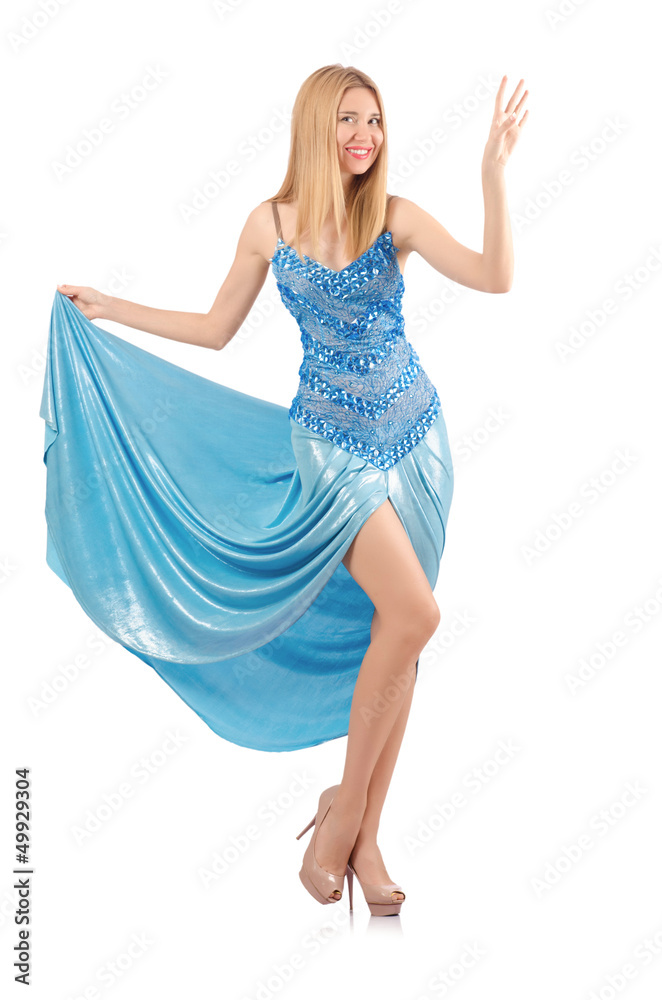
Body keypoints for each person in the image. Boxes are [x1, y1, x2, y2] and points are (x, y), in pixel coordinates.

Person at [46, 64, 528, 915]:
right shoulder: (268, 225)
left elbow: (495, 277)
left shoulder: (396, 215)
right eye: (348, 119)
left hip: (418, 438)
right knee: (416, 614)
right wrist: (112, 307)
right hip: (330, 447)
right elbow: (216, 329)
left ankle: (365, 835)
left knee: (399, 636)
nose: (364, 136)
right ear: (315, 125)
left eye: (374, 121)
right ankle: (343, 816)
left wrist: (492, 172)